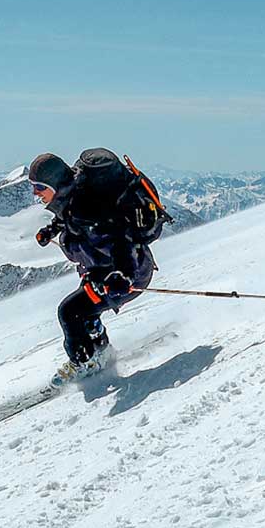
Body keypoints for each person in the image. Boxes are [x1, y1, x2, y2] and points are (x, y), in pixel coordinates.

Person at [28, 149, 168, 384]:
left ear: (53, 184)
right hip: (104, 271)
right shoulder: (73, 198)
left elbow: (120, 239)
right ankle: (100, 354)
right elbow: (67, 217)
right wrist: (51, 230)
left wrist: (121, 274)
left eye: (39, 187)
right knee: (86, 311)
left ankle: (85, 363)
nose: (35, 193)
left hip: (126, 275)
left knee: (70, 312)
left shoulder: (87, 207)